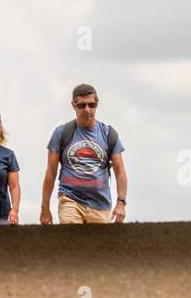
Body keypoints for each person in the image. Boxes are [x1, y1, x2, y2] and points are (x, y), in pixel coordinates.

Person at [41, 83, 127, 224]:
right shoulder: (61, 133)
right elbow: (50, 172)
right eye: (82, 105)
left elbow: (120, 171)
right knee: (72, 244)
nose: (87, 110)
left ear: (97, 104)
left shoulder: (109, 134)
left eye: (91, 105)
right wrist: (45, 209)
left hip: (100, 205)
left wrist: (121, 202)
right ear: (73, 105)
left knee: (99, 246)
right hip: (70, 200)